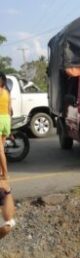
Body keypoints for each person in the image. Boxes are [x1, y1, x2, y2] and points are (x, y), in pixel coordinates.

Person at [0, 73, 15, 239]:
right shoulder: (7, 93)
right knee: (1, 147)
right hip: (6, 120)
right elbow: (10, 109)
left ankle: (5, 173)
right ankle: (2, 172)